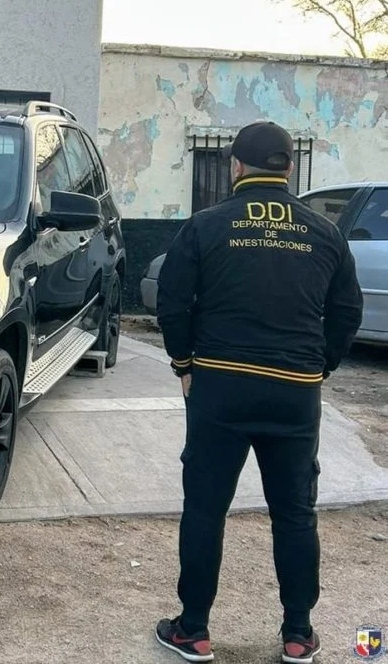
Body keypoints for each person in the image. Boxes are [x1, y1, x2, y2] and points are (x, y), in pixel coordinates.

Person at [154, 121, 363, 664]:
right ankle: (298, 633)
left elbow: (173, 300)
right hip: (293, 394)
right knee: (294, 512)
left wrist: (184, 364)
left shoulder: (206, 226)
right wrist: (319, 367)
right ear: (289, 169)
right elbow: (346, 311)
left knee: (205, 508)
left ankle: (193, 630)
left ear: (236, 167)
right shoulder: (325, 233)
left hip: (220, 386)